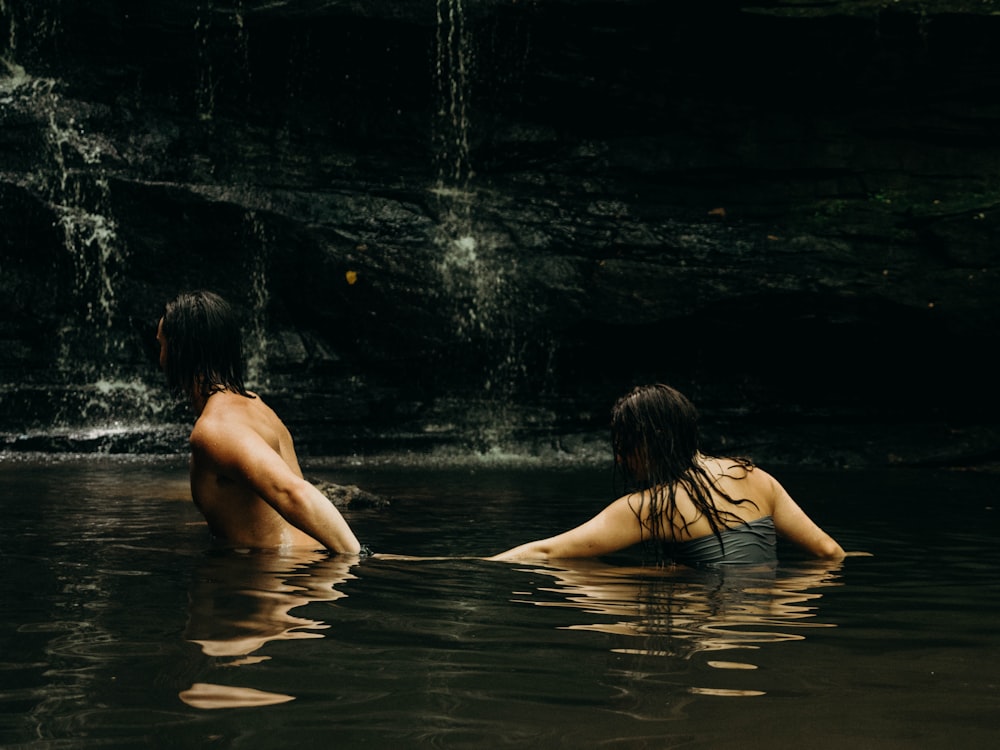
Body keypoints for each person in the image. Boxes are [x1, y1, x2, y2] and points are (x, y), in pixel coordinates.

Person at [490, 383, 845, 565]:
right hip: (762, 634)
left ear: (646, 444)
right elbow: (830, 552)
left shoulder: (651, 505)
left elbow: (547, 553)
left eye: (624, 445)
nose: (620, 457)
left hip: (701, 625)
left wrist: (467, 566)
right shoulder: (756, 476)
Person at [156, 290, 361, 554]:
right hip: (300, 566)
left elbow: (292, 492)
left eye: (161, 345)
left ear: (179, 351)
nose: (160, 358)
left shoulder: (215, 428)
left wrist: (357, 557)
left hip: (279, 578)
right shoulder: (255, 403)